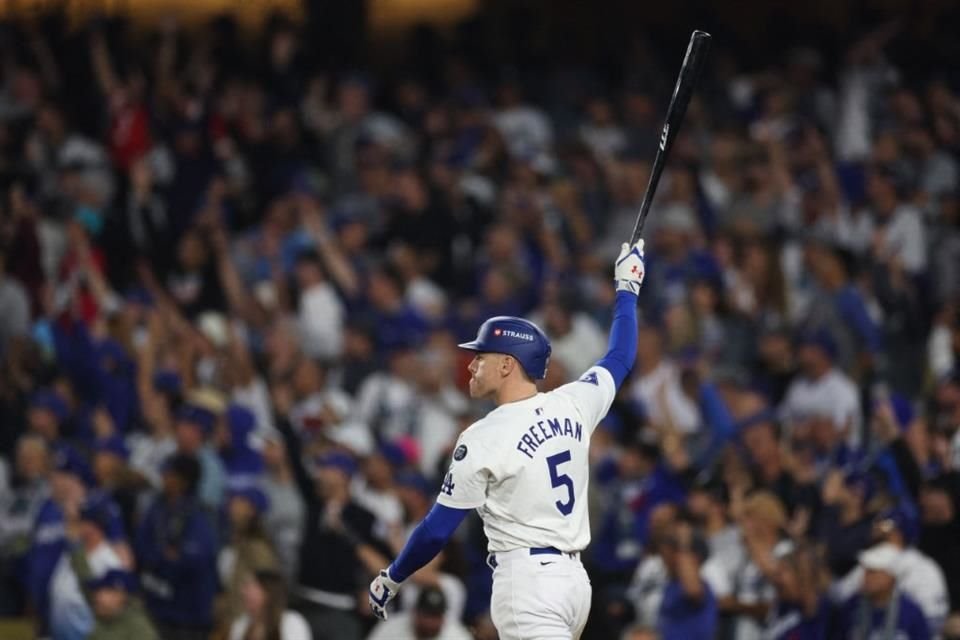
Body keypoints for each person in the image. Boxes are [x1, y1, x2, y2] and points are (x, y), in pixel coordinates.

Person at [368, 240, 646, 639]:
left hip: (528, 583)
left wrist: (392, 577)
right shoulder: (573, 402)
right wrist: (627, 291)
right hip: (573, 585)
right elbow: (619, 357)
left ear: (507, 364)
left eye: (481, 357)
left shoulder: (483, 436)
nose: (472, 364)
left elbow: (436, 530)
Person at [835, 543, 931, 640]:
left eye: (873, 572)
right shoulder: (851, 606)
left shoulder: (911, 612)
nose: (866, 577)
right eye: (865, 571)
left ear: (891, 577)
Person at [657, 520, 718, 639]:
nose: (665, 552)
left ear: (695, 557)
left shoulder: (699, 584)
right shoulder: (671, 584)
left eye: (674, 549)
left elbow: (693, 590)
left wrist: (684, 544)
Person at [228, 569, 312, 640]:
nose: (243, 592)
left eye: (249, 587)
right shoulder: (241, 624)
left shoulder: (291, 623)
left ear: (267, 592)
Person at [367, 585, 471, 640]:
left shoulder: (457, 636)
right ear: (415, 612)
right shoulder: (391, 628)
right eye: (427, 615)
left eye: (436, 616)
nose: (431, 623)